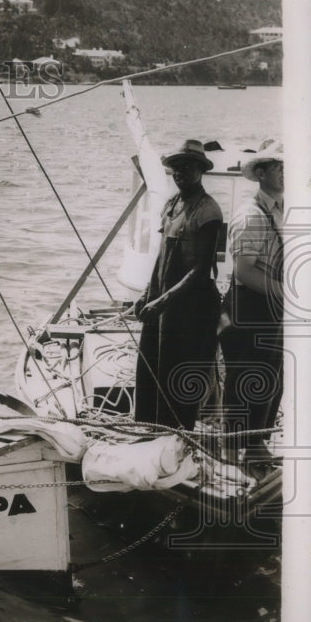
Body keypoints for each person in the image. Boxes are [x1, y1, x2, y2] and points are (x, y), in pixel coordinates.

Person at [133, 139, 223, 430]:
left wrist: (161, 302)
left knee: (180, 373)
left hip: (190, 306)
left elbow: (200, 270)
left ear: (200, 170)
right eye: (176, 167)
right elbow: (162, 253)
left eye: (188, 166)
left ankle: (177, 435)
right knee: (152, 367)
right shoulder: (172, 204)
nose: (180, 172)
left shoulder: (208, 210)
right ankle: (149, 430)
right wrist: (148, 293)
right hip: (165, 299)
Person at [220, 140, 283, 461]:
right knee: (244, 379)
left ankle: (257, 446)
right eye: (279, 167)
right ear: (260, 173)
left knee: (272, 379)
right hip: (248, 307)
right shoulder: (250, 216)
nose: (287, 174)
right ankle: (231, 454)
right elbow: (244, 272)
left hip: (274, 308)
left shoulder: (284, 209)